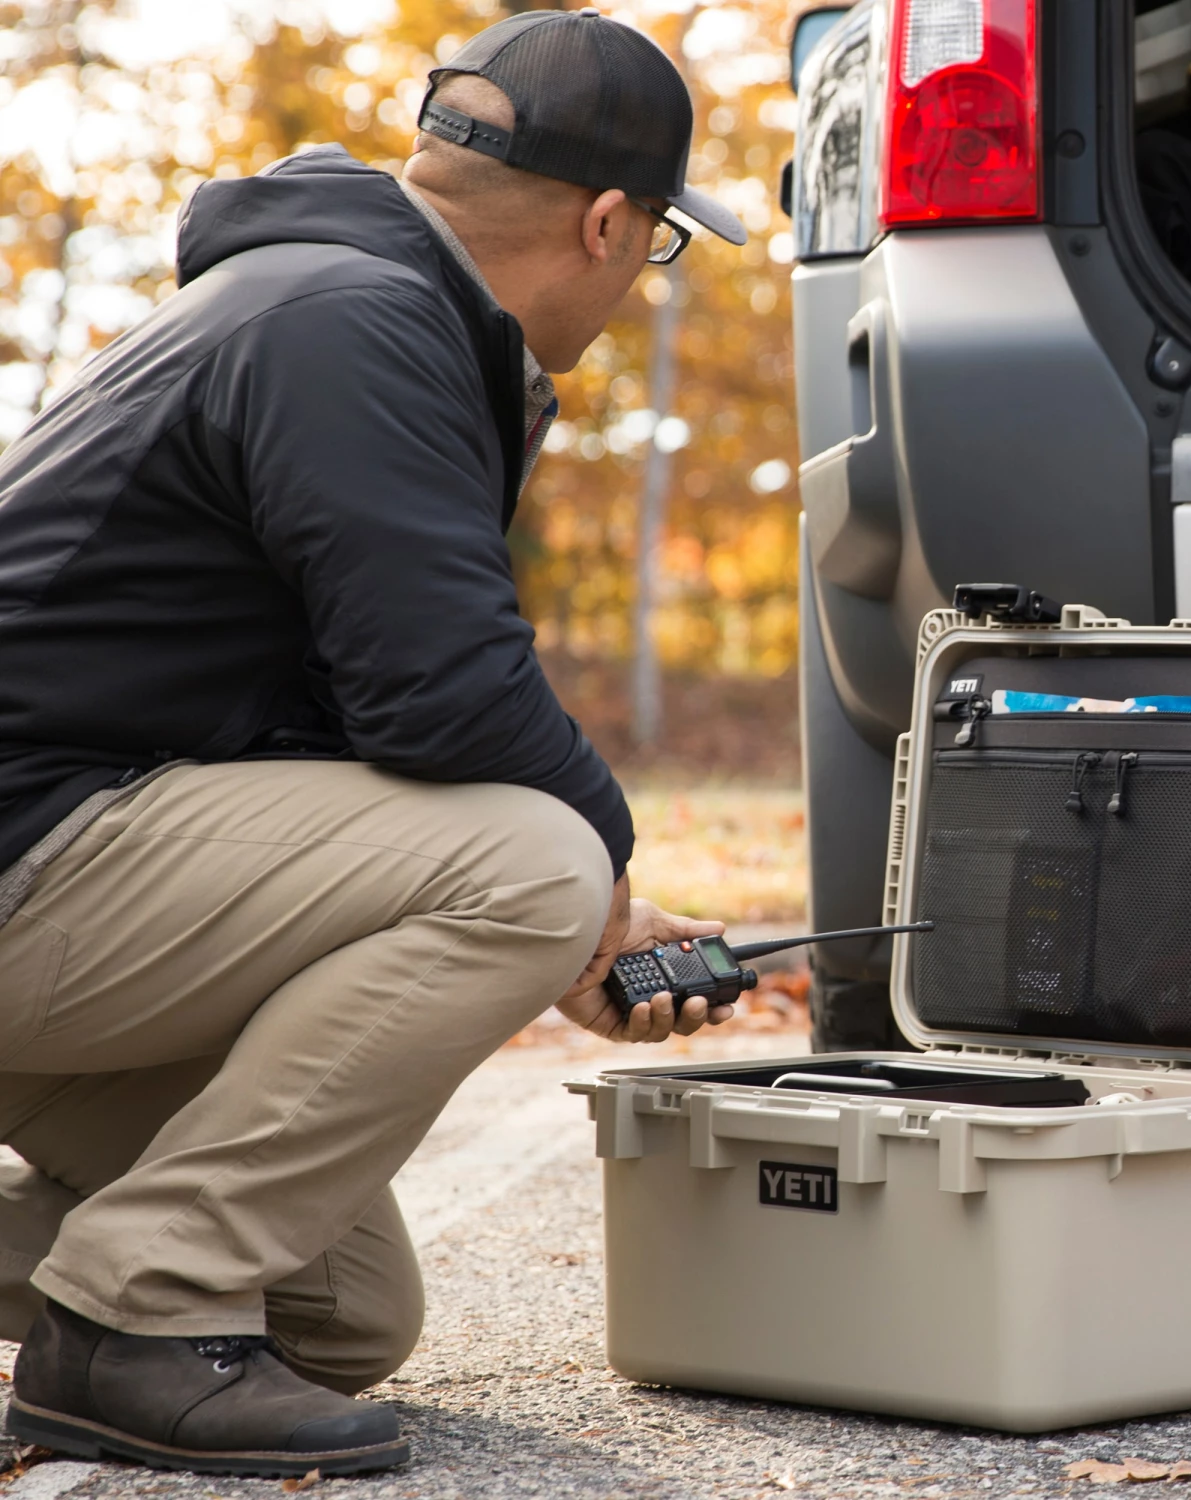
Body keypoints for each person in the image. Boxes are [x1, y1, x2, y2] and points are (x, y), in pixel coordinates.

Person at [0, 9, 746, 1480]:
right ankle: (128, 1322)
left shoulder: (341, 305)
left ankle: (143, 1303)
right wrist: (596, 883)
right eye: (656, 243)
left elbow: (362, 710)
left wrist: (603, 925)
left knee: (336, 1312)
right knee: (537, 858)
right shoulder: (352, 322)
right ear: (608, 223)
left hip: (68, 880)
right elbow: (445, 701)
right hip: (31, 869)